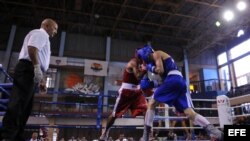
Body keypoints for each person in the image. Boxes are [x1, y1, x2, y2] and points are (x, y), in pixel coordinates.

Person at [136, 45, 224, 141]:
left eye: (143, 60)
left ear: (145, 54)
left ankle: (146, 136)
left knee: (152, 103)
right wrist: (146, 74)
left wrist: (150, 68)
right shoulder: (162, 62)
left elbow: (160, 71)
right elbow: (157, 81)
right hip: (179, 82)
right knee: (190, 113)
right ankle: (217, 133)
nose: (143, 63)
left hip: (173, 80)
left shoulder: (157, 53)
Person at [0, 18, 58, 141]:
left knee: (26, 107)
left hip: (31, 69)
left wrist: (41, 79)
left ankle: (16, 136)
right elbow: (32, 49)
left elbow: (39, 57)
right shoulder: (41, 33)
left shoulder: (44, 37)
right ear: (47, 25)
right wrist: (36, 68)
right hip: (28, 68)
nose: (55, 31)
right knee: (19, 103)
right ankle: (7, 136)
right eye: (55, 28)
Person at [99, 57, 149, 141]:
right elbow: (138, 77)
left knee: (147, 110)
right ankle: (105, 133)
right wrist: (145, 70)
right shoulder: (133, 62)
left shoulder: (143, 63)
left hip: (137, 92)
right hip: (126, 92)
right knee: (114, 115)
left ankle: (146, 135)